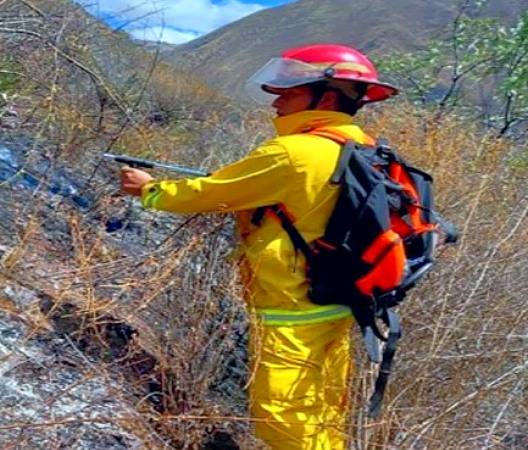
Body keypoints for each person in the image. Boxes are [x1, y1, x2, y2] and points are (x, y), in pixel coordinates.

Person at [119, 44, 398, 450]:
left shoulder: (293, 152)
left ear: (329, 96)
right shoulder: (367, 149)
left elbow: (206, 194)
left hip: (292, 306)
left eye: (291, 91)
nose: (277, 101)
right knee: (320, 408)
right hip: (339, 301)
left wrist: (150, 191)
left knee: (281, 417)